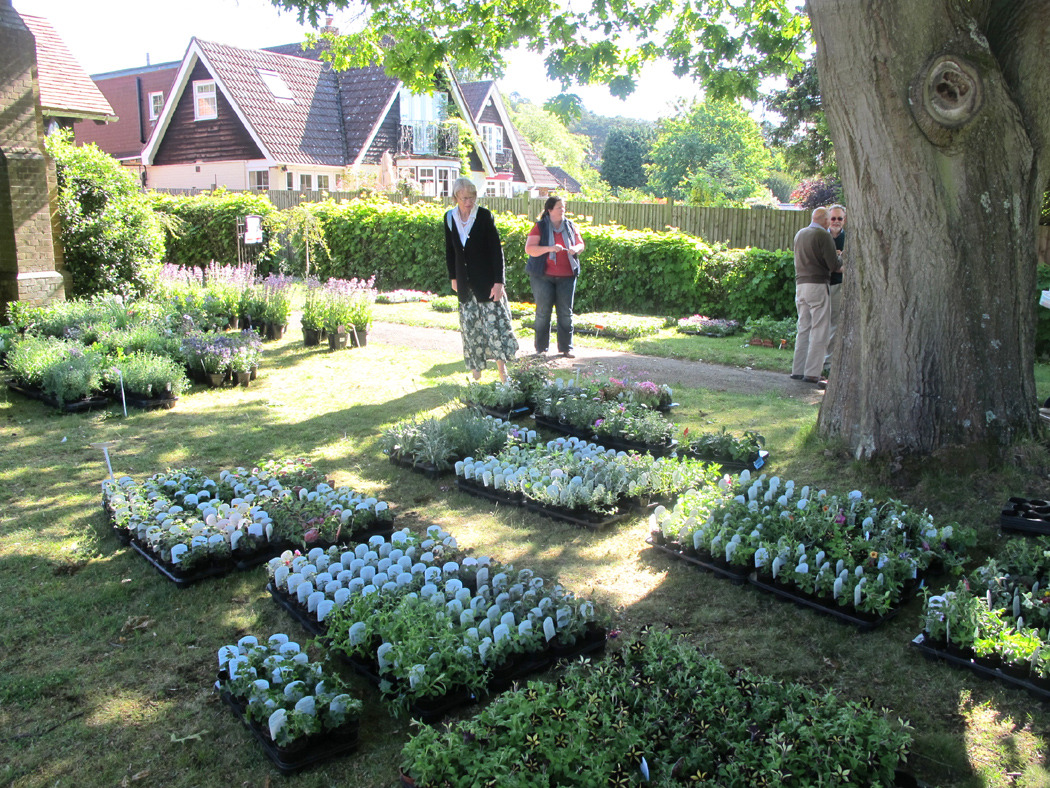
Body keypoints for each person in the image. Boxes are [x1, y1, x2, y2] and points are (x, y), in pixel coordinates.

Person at [444, 177, 518, 382]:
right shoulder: (449, 218)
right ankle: (476, 373)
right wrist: (453, 276)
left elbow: (496, 251)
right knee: (470, 329)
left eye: (472, 197)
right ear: (456, 198)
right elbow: (450, 250)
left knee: (495, 329)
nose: (469, 202)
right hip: (465, 283)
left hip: (487, 283)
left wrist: (499, 282)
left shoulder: (484, 216)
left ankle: (504, 374)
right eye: (464, 198)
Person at [524, 195, 585, 358]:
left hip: (567, 276)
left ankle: (566, 348)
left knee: (565, 312)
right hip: (542, 276)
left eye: (563, 207)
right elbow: (530, 249)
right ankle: (541, 349)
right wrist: (550, 248)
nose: (562, 210)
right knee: (543, 312)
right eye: (559, 207)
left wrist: (576, 248)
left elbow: (581, 244)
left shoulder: (571, 226)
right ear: (550, 210)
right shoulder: (540, 227)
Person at [790, 206, 840, 389]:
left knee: (803, 327)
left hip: (800, 285)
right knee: (820, 328)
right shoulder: (823, 235)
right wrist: (842, 258)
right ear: (826, 220)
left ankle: (798, 369)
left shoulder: (800, 234)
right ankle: (812, 373)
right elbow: (833, 264)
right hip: (818, 285)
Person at [824, 204, 847, 371]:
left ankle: (828, 362)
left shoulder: (849, 239)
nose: (836, 221)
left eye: (840, 218)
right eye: (833, 218)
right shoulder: (821, 237)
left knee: (834, 324)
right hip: (820, 284)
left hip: (838, 285)